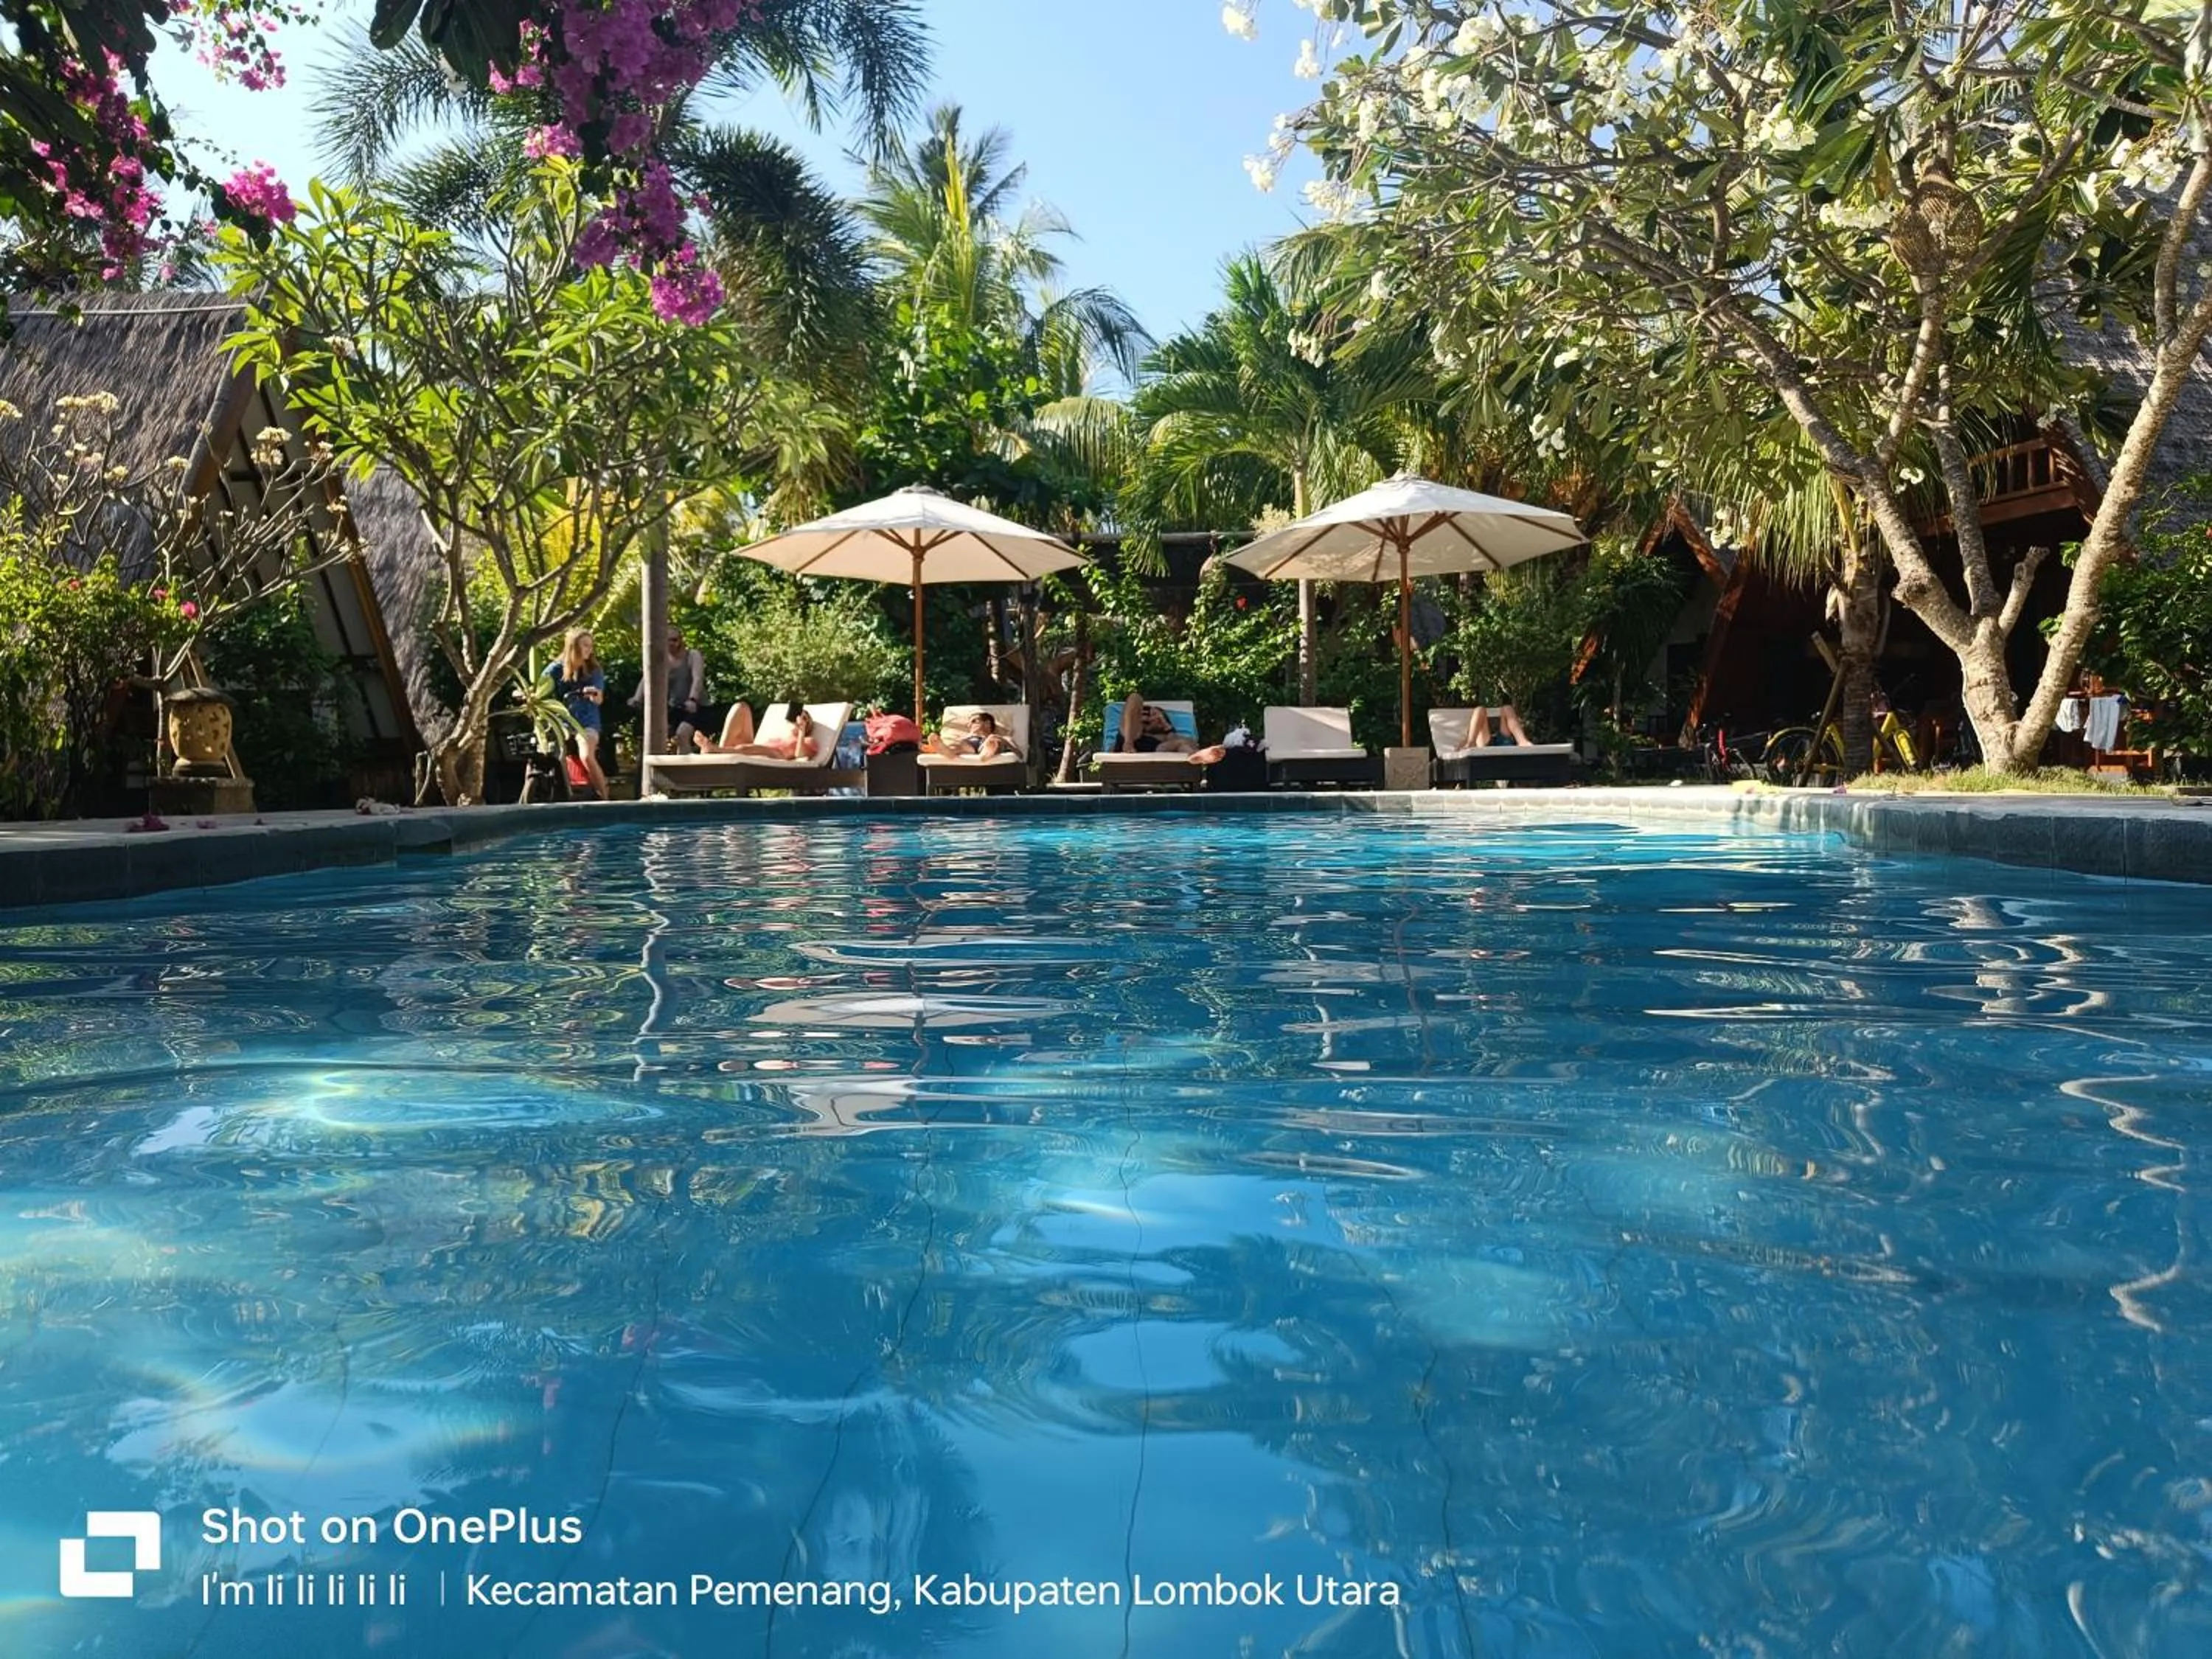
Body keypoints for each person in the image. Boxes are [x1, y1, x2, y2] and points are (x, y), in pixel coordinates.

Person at [547, 627, 608, 797]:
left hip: (587, 721)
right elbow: (540, 686)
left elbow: (599, 698)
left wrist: (594, 693)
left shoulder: (594, 669)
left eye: (590, 645)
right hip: (562, 721)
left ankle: (604, 798)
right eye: (585, 645)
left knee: (587, 755)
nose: (589, 649)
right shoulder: (556, 668)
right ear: (573, 647)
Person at [630, 626, 709, 753]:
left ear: (680, 641)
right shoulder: (661, 660)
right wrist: (637, 698)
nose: (671, 643)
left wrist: (693, 699)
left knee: (682, 734)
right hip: (674, 707)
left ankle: (684, 771)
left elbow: (698, 679)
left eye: (674, 640)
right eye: (667, 640)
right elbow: (647, 678)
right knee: (654, 734)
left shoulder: (692, 656)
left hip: (696, 707)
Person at [1118, 692, 1228, 764]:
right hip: (1129, 742)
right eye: (1148, 715)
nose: (1152, 718)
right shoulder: (1129, 728)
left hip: (1155, 750)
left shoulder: (1163, 736)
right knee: (1135, 697)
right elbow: (1134, 700)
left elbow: (1186, 742)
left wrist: (1167, 727)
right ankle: (1128, 744)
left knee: (1182, 742)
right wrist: (1128, 741)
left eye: (1156, 715)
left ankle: (1196, 757)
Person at [703, 700, 819, 760]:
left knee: (753, 749)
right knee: (741, 707)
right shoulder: (782, 737)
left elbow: (800, 756)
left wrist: (801, 732)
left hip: (777, 757)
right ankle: (719, 753)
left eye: (805, 719)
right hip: (757, 753)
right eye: (799, 716)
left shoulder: (809, 740)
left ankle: (716, 750)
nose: (800, 719)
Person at [926, 709, 1021, 759]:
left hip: (987, 742)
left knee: (993, 740)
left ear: (987, 723)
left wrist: (1003, 740)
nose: (969, 725)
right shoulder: (965, 739)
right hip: (970, 746)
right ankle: (948, 751)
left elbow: (1020, 755)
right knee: (956, 744)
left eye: (974, 721)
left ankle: (988, 751)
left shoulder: (1002, 737)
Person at [1464, 703, 1532, 748]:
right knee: (1480, 710)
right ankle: (1471, 742)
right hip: (1486, 746)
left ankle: (1522, 741)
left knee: (1507, 708)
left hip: (1503, 744)